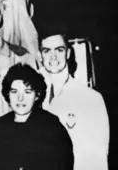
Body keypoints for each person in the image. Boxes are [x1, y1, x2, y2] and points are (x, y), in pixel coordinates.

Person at [0, 63, 74, 170]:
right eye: (14, 92)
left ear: (37, 95)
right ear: (8, 94)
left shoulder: (53, 130)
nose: (20, 98)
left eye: (27, 92)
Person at [39, 30, 109, 170]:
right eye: (47, 51)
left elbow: (97, 159)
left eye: (59, 50)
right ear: (40, 55)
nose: (53, 56)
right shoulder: (34, 98)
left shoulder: (91, 99)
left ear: (68, 53)